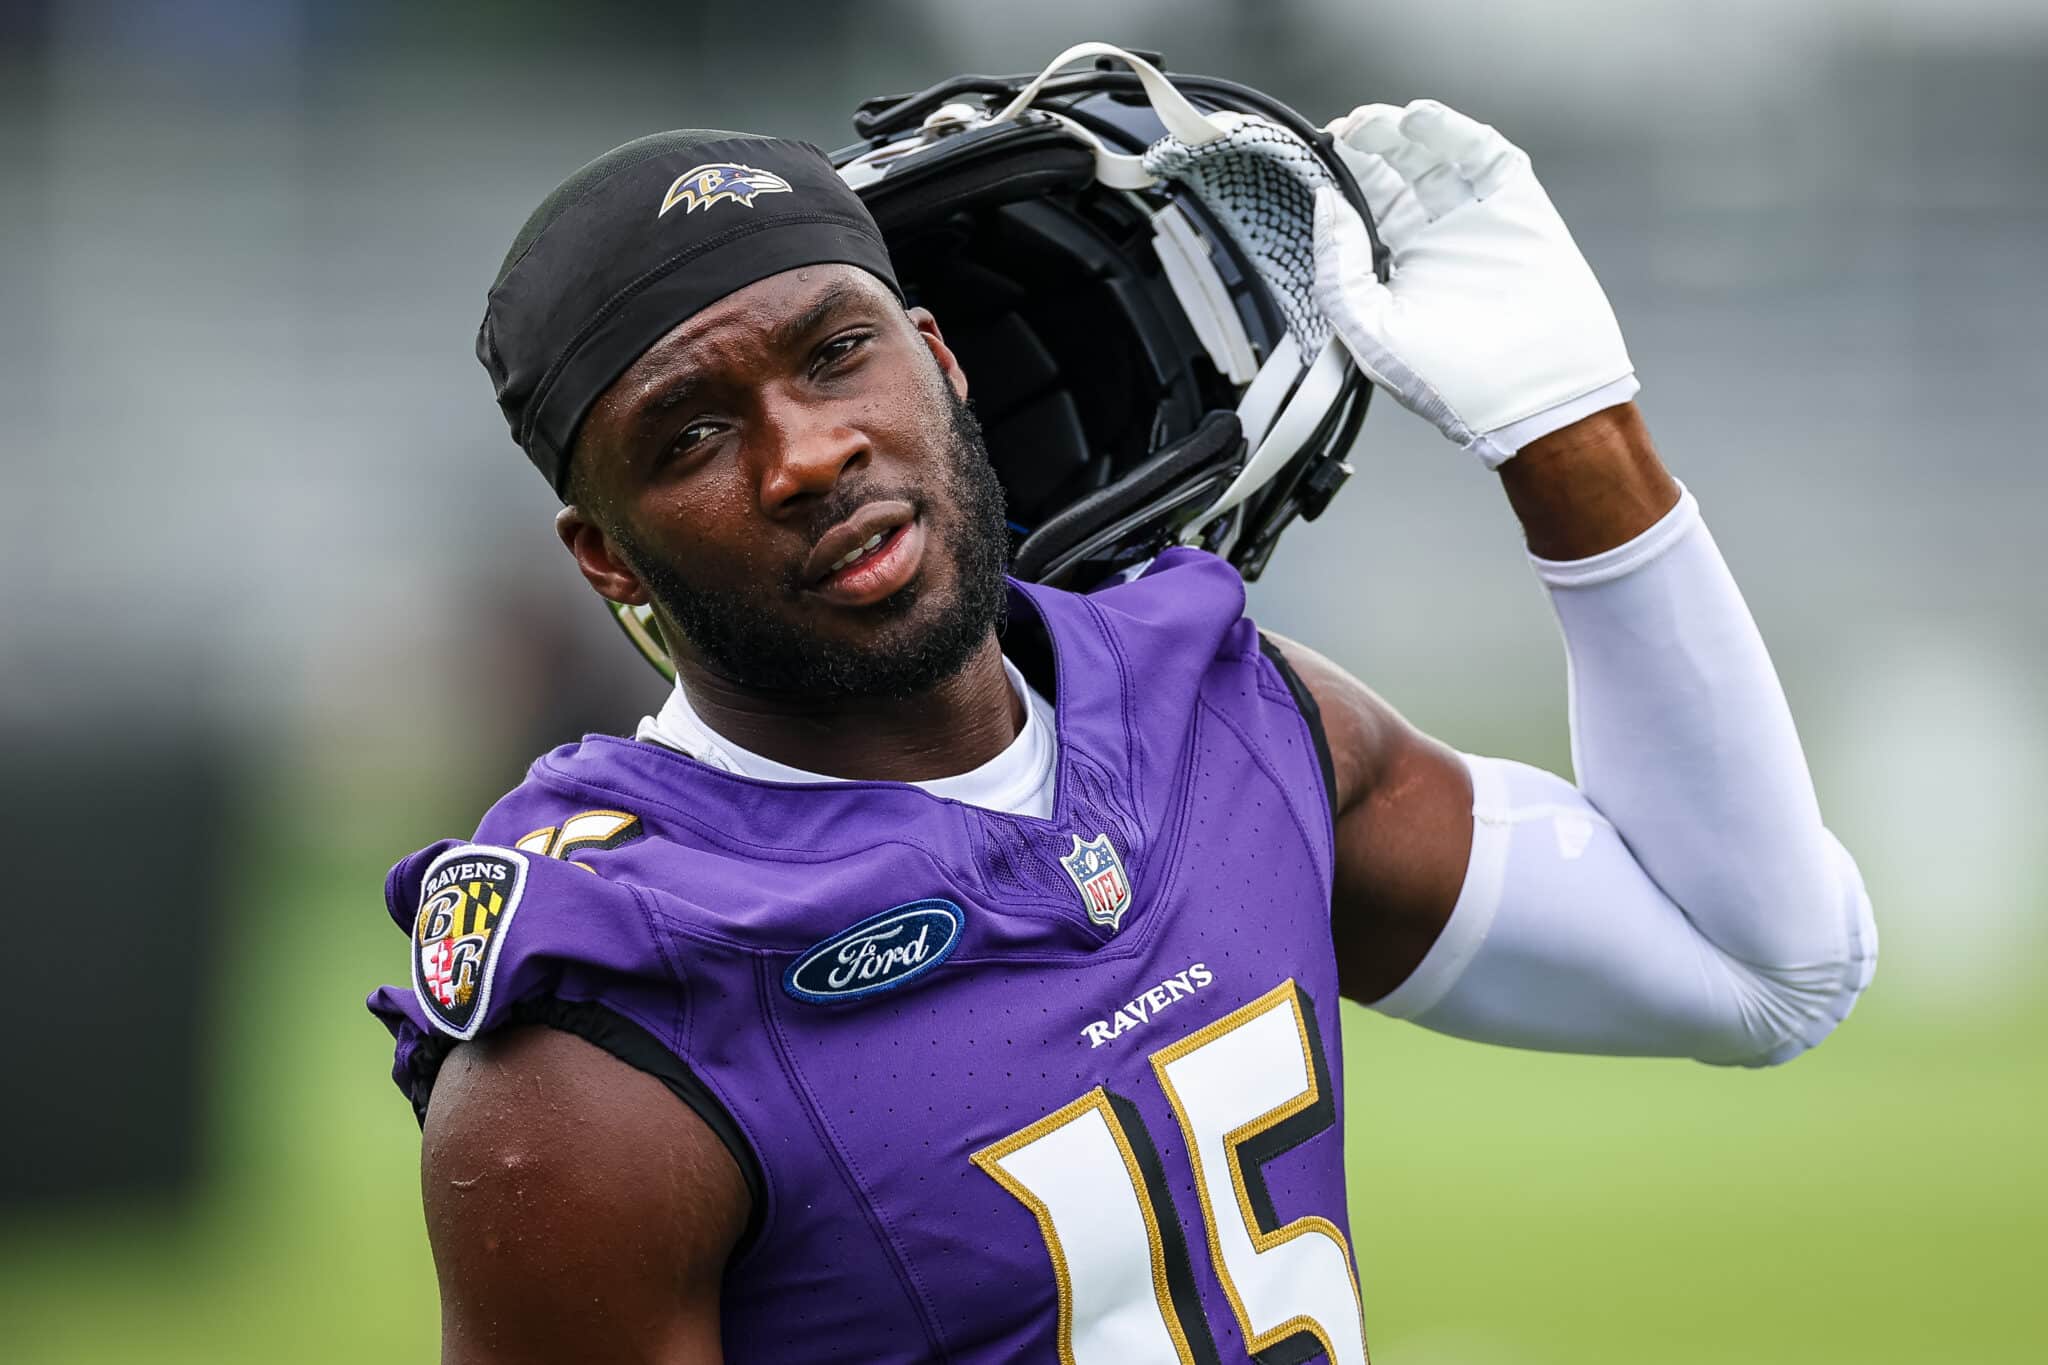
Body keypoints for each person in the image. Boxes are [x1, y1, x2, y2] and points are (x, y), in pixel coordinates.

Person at [368, 72, 1876, 1365]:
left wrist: (1569, 430)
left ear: (940, 358)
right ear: (607, 555)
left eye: (836, 353)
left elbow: (1769, 967)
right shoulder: (598, 1040)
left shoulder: (1218, 711)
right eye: (693, 434)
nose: (809, 453)